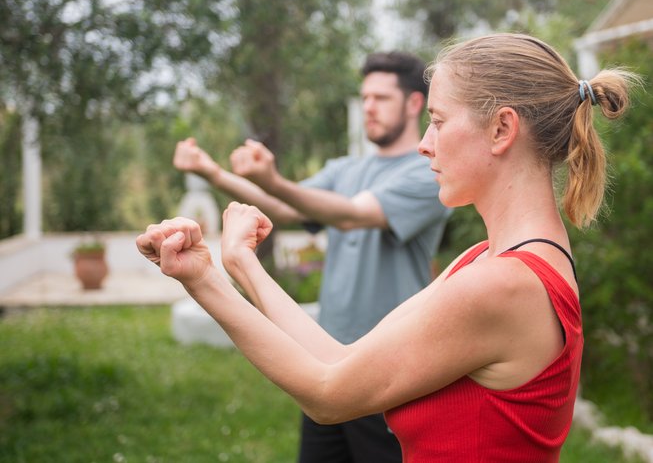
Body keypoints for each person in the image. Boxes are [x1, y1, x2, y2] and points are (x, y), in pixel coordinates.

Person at [139, 33, 637, 461]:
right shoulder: (485, 261)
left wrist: (203, 280)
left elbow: (327, 396)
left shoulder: (503, 284)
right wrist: (240, 265)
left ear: (502, 129)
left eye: (438, 121)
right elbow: (340, 362)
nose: (425, 144)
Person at [173, 52, 451, 462]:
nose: (368, 107)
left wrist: (273, 179)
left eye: (381, 98)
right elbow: (286, 207)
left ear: (414, 104)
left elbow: (353, 215)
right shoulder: (345, 169)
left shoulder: (428, 172)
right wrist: (212, 172)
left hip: (389, 366)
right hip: (323, 356)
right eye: (365, 98)